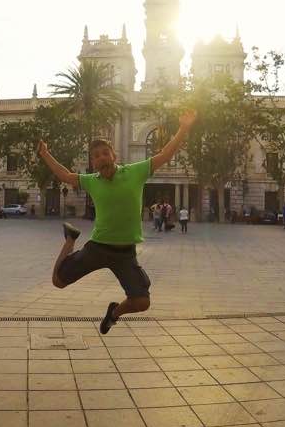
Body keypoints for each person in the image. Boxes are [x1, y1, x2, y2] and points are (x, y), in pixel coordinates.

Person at [41, 109, 197, 334]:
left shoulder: (135, 172)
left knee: (142, 302)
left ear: (113, 155)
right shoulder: (91, 181)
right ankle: (70, 239)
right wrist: (45, 154)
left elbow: (165, 154)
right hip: (98, 248)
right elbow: (65, 176)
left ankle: (113, 314)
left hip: (125, 253)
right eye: (96, 156)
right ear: (93, 163)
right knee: (58, 281)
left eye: (105, 153)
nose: (101, 158)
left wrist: (183, 127)